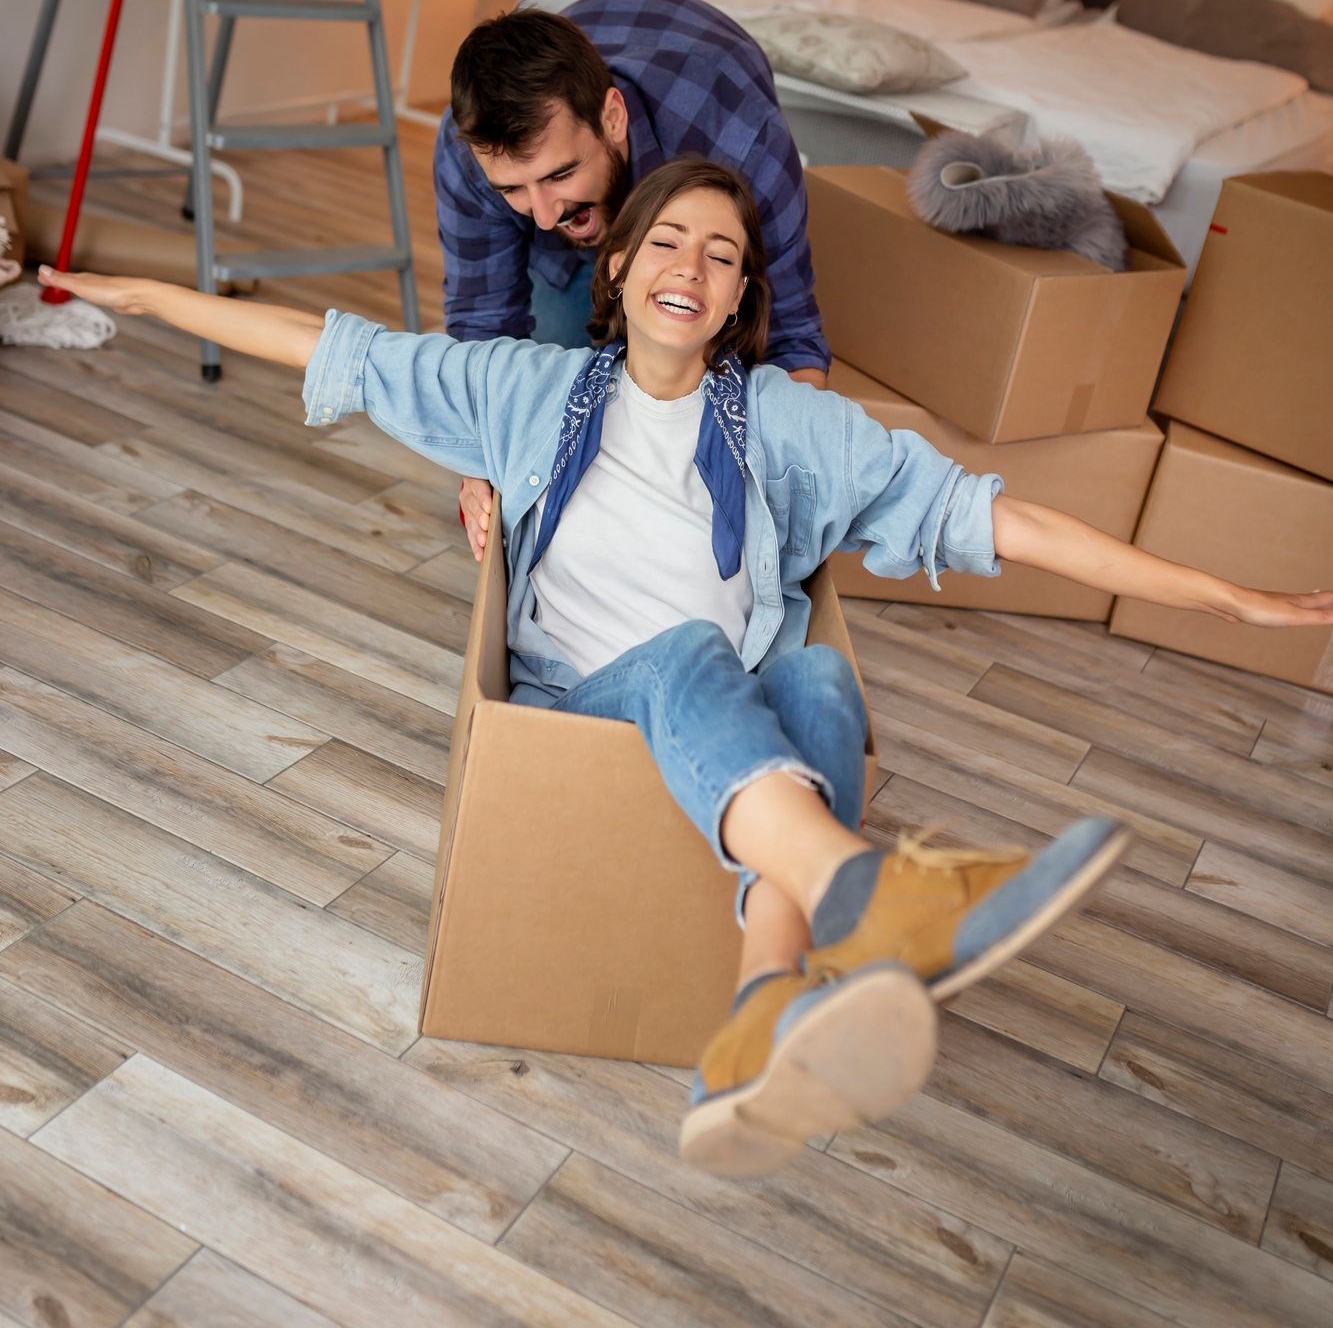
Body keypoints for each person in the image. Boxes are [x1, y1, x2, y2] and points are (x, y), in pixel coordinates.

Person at [41, 160, 1332, 1181]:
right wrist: (137, 294)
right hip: (583, 704)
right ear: (615, 266)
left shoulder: (784, 423)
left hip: (722, 712)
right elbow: (329, 347)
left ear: (734, 300)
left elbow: (1001, 520)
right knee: (689, 654)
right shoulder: (524, 390)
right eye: (666, 240)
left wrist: (1219, 592)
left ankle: (755, 1027)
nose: (690, 266)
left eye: (721, 256)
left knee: (822, 688)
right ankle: (869, 898)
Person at [434, 0, 830, 562]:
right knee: (550, 427)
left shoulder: (741, 144)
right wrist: (478, 465)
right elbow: (484, 328)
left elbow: (791, 336)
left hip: (702, 127)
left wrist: (791, 485)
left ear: (612, 119)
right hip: (574, 262)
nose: (544, 216)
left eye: (560, 175)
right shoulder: (470, 149)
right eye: (514, 191)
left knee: (710, 420)